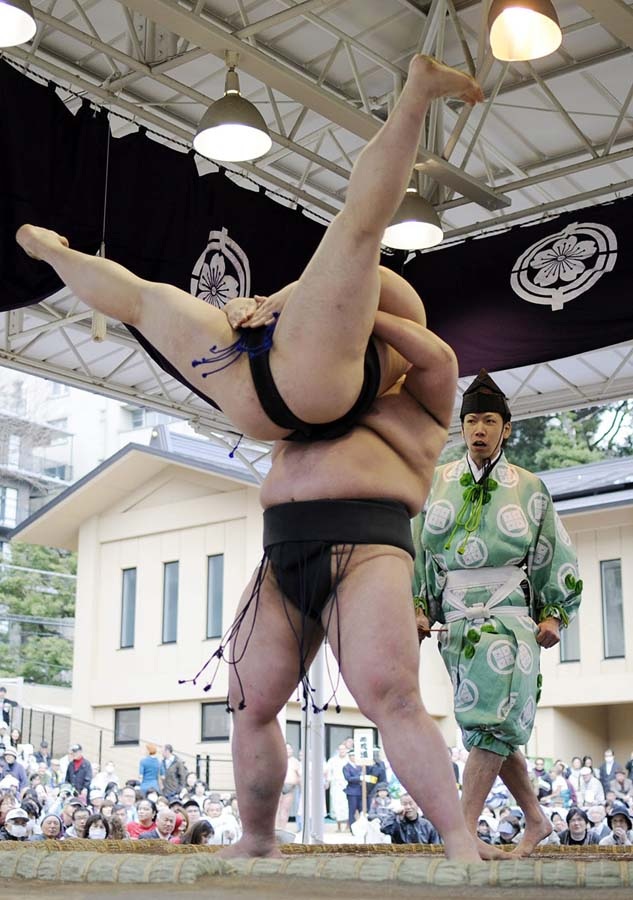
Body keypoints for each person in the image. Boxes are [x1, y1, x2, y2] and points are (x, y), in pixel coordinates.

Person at [196, 158, 484, 863]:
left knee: (392, 696)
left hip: (369, 550)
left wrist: (365, 310)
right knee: (248, 700)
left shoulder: (419, 400)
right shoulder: (306, 401)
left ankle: (458, 838)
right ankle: (257, 837)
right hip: (280, 556)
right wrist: (269, 316)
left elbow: (439, 357)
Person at [15, 55, 482, 450]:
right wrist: (260, 304)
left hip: (291, 376)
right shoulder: (403, 352)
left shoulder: (405, 329)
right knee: (137, 303)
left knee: (358, 227)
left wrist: (276, 302)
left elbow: (367, 283)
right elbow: (362, 305)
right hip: (259, 403)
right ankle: (51, 252)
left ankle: (417, 92)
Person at [413, 369, 582, 858]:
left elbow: (555, 552)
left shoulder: (530, 487)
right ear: (462, 428)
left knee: (491, 719)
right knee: (489, 726)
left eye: (489, 421)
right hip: (456, 625)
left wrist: (554, 614)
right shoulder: (437, 482)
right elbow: (419, 553)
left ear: (506, 429)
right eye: (471, 421)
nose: (479, 430)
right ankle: (536, 818)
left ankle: (463, 831)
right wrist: (419, 607)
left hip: (509, 619)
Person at [324, 742, 350, 832]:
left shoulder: (349, 759)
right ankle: (338, 827)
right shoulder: (333, 760)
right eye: (340, 749)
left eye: (344, 749)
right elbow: (328, 772)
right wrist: (328, 782)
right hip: (336, 785)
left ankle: (347, 826)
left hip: (347, 784)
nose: (342, 751)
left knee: (347, 806)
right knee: (336, 806)